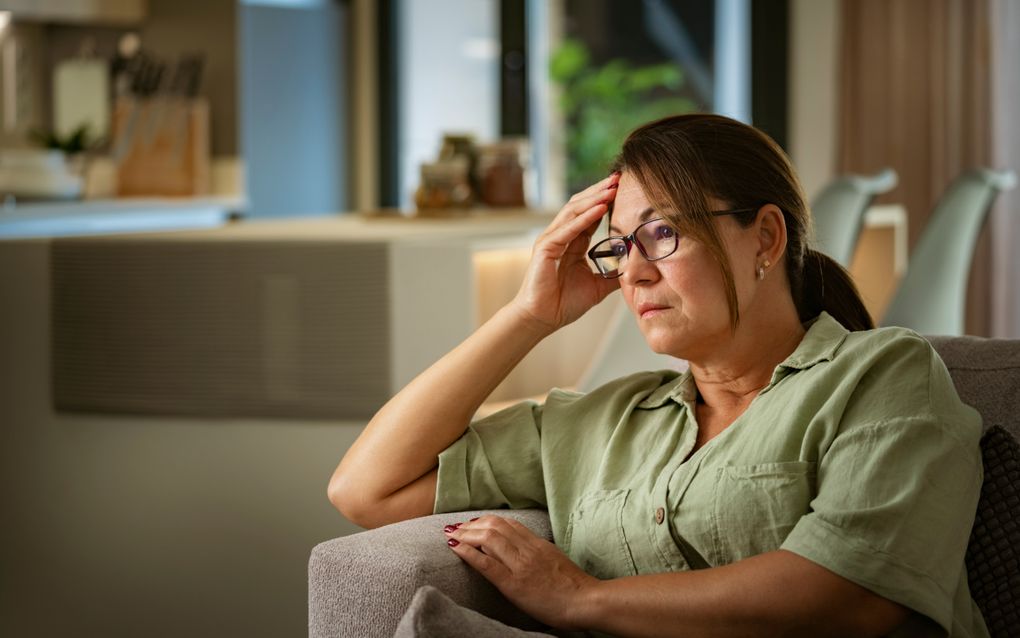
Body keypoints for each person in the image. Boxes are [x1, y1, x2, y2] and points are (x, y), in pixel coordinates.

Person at [329, 114, 988, 637]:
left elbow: (850, 594)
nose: (632, 272)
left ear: (764, 238)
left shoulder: (881, 374)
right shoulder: (596, 424)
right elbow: (366, 490)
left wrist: (581, 599)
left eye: (662, 234)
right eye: (617, 248)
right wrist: (529, 315)